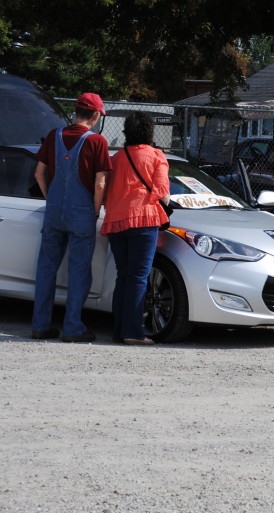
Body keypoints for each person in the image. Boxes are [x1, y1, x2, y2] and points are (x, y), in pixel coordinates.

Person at [31, 92, 112, 343]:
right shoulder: (97, 142)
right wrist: (95, 210)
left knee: (46, 268)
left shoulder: (54, 135)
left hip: (54, 211)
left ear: (76, 111)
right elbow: (100, 184)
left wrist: (50, 198)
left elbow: (38, 174)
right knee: (78, 271)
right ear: (96, 115)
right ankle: (73, 327)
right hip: (82, 213)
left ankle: (40, 325)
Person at [100, 112, 170, 345]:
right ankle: (133, 332)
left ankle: (120, 330)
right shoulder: (156, 156)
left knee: (124, 276)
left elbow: (106, 191)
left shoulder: (117, 157)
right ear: (150, 132)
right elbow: (163, 193)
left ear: (126, 131)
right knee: (139, 277)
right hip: (144, 220)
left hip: (117, 221)